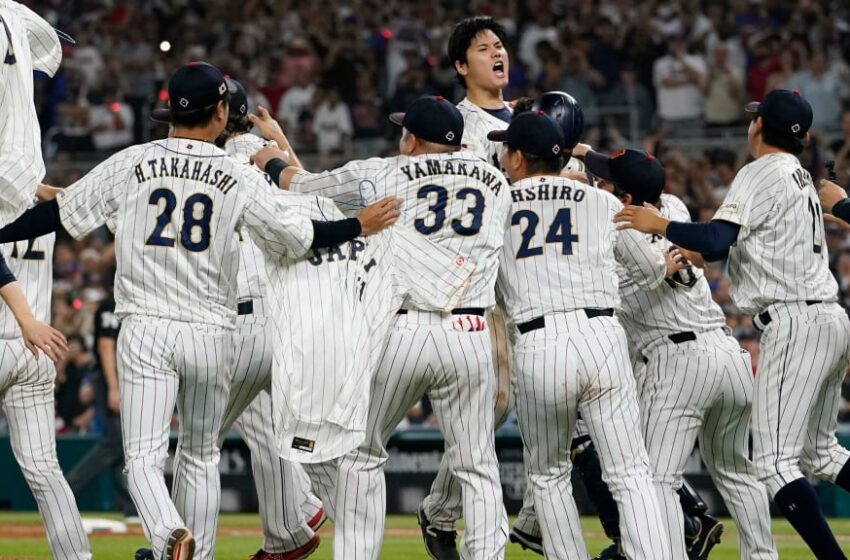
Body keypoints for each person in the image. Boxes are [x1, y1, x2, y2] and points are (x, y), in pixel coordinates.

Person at [0, 61, 400, 560]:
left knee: (144, 459)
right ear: (219, 112)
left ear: (170, 114)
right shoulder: (237, 174)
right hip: (213, 332)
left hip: (147, 326)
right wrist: (356, 226)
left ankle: (170, 534)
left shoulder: (133, 161)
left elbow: (54, 214)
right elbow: (300, 237)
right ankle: (199, 552)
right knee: (201, 454)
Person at [253, 95, 510, 560]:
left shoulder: (387, 172)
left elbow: (306, 186)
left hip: (403, 332)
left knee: (360, 456)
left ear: (412, 138)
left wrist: (272, 160)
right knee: (477, 465)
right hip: (472, 333)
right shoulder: (495, 181)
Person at [615, 89, 850, 560]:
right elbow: (725, 247)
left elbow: (720, 237)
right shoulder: (800, 176)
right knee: (822, 454)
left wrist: (658, 225)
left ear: (760, 127)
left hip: (795, 321)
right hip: (828, 317)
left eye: (755, 118)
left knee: (775, 464)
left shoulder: (760, 170)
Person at [492, 111, 675, 560]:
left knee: (549, 475)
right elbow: (651, 267)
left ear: (517, 157)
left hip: (539, 343)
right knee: (631, 474)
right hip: (601, 336)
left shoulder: (498, 202)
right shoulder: (601, 201)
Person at [580, 146, 777, 560]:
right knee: (738, 472)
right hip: (728, 355)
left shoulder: (617, 225)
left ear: (627, 199)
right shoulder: (673, 206)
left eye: (609, 182)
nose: (600, 184)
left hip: (679, 361)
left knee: (655, 481)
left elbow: (624, 270)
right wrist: (585, 152)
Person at [209, 79, 325, 560]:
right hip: (287, 317)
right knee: (267, 429)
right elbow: (313, 206)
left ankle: (171, 541)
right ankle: (291, 523)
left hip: (243, 318)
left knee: (195, 444)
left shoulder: (221, 163)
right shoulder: (270, 157)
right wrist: (281, 143)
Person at [0, 230, 89, 560]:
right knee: (45, 469)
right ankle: (76, 557)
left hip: (20, 330)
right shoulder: (46, 211)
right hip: (36, 346)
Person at [65, 292, 139, 522]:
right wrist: (113, 387)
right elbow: (106, 347)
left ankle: (130, 507)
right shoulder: (112, 303)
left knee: (121, 443)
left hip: (123, 378)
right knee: (115, 442)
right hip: (109, 378)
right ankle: (66, 491)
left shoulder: (129, 301)